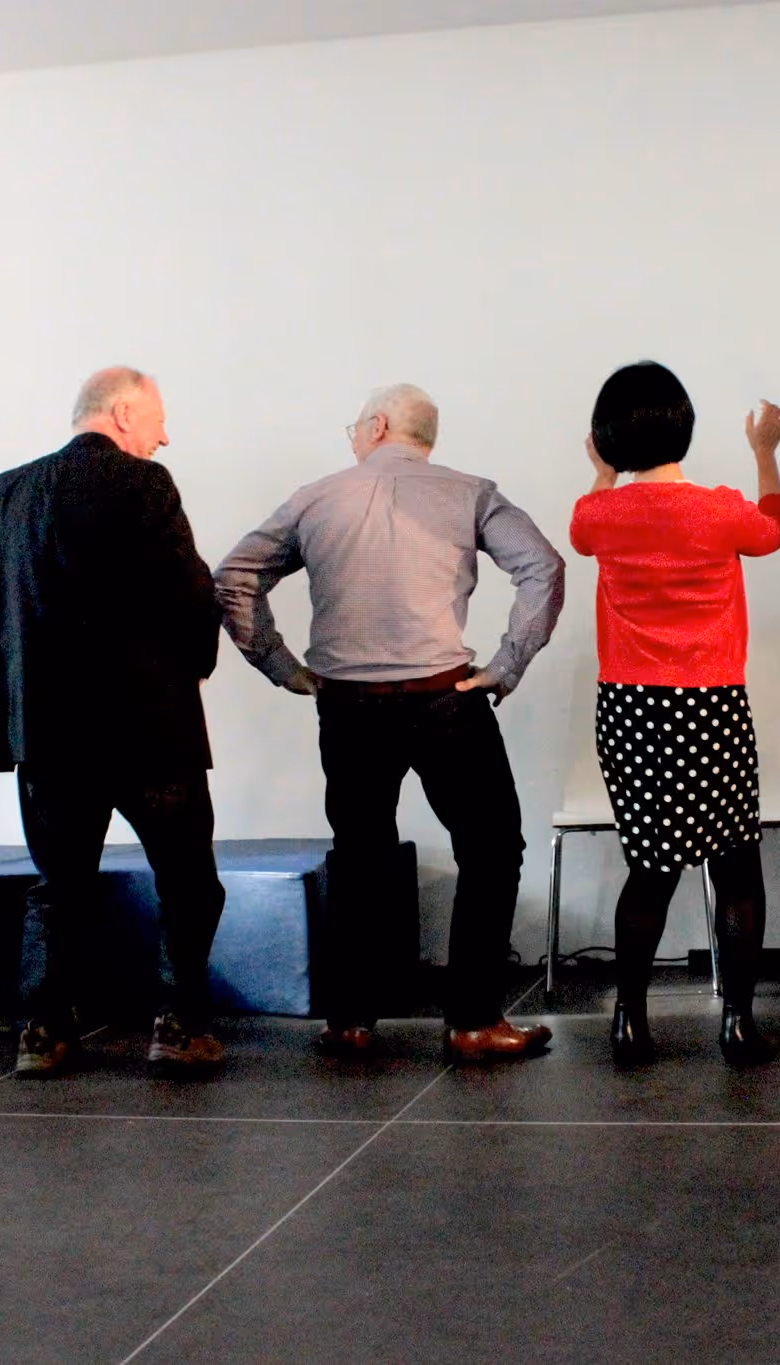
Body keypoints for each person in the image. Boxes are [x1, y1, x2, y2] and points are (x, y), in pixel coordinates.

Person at [215, 384, 565, 1062]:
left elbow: (235, 575)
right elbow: (542, 567)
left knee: (361, 855)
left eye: (356, 426)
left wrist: (280, 663)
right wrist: (506, 662)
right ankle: (472, 1021)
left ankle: (350, 1021)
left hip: (348, 705)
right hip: (445, 698)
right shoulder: (470, 492)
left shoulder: (317, 496)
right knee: (492, 848)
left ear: (376, 426)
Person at [0, 368, 227, 1078]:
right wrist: (195, 661)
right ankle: (178, 1026)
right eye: (157, 419)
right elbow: (190, 589)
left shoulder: (13, 488)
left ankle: (43, 1031)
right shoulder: (146, 485)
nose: (164, 435)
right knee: (187, 878)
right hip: (148, 729)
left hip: (47, 731)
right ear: (123, 414)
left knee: (59, 884)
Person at [570, 363, 780, 1067]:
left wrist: (601, 473)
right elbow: (775, 530)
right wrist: (765, 452)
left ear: (607, 437)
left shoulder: (597, 514)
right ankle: (738, 1023)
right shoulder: (720, 508)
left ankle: (629, 1021)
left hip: (631, 710)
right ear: (683, 427)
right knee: (736, 866)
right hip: (712, 705)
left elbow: (582, 531)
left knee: (649, 867)